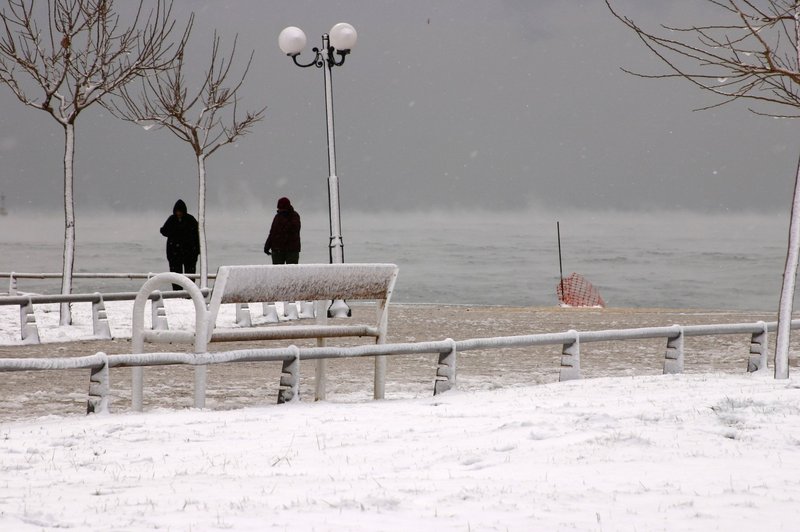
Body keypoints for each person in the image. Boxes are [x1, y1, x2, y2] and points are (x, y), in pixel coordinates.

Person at [160, 199, 200, 290]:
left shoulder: (191, 220)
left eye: (180, 211)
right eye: (177, 211)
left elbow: (198, 235)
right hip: (175, 254)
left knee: (189, 277)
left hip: (189, 253)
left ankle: (190, 294)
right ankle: (177, 295)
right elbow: (163, 231)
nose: (179, 213)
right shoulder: (172, 219)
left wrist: (196, 251)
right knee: (175, 277)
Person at [264, 197, 301, 264]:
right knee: (277, 272)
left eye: (281, 208)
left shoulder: (294, 216)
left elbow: (294, 229)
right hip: (277, 249)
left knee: (292, 272)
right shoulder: (277, 217)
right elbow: (272, 233)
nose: (279, 210)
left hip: (291, 250)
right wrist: (267, 246)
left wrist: (284, 218)